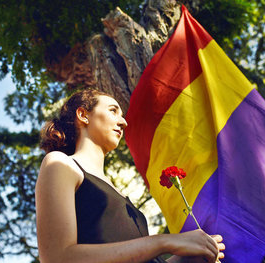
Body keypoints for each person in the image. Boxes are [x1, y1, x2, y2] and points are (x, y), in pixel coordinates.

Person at [35, 89, 225, 263]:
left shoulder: (119, 192)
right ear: (83, 115)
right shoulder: (60, 164)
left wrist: (188, 256)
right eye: (113, 111)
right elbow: (57, 258)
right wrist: (165, 242)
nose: (123, 122)